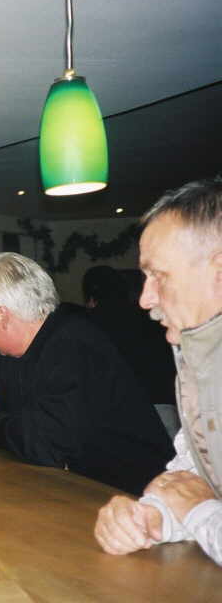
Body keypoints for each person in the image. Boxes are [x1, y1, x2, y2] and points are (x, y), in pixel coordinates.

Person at [0, 252, 173, 495]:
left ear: (1, 315)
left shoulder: (74, 344)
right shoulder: (15, 358)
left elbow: (45, 446)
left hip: (137, 497)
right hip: (80, 490)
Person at [94, 178, 222, 564]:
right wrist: (150, 518)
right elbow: (192, 477)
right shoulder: (196, 353)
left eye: (159, 276)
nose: (145, 298)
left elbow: (197, 501)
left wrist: (198, 511)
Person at [82, 265, 179, 437]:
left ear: (91, 298)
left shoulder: (89, 326)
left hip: (123, 413)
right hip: (164, 405)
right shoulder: (151, 318)